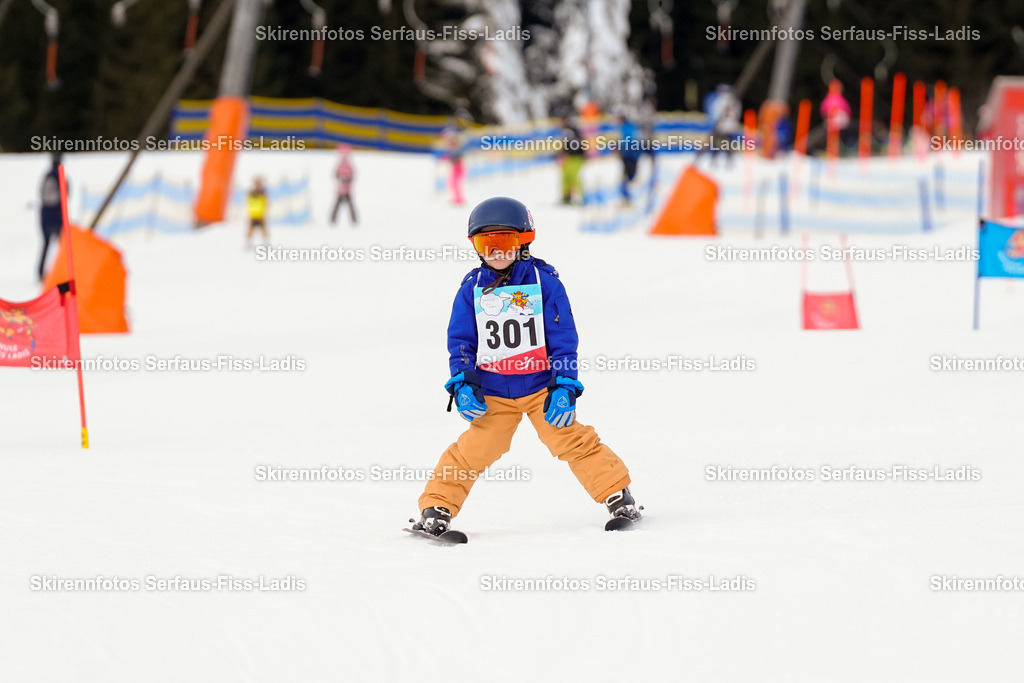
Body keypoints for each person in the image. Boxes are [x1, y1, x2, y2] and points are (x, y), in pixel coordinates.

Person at [409, 196, 642, 537]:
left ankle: (618, 496)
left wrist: (564, 384)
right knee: (474, 450)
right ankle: (437, 507)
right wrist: (462, 383)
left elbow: (563, 336)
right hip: (493, 390)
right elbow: (461, 340)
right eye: (486, 243)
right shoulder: (471, 289)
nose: (496, 251)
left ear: (523, 242)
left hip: (538, 387)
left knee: (571, 439)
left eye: (505, 241)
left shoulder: (544, 282)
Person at [38, 152, 64, 281]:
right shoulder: (53, 176)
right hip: (53, 218)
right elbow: (49, 198)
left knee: (54, 246)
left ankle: (56, 272)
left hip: (51, 217)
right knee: (53, 245)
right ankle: (45, 272)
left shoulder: (53, 176)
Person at [558, 117, 586, 204]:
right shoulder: (572, 131)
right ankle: (568, 197)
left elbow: (571, 144)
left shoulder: (569, 131)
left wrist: (565, 153)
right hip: (574, 157)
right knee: (567, 177)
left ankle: (580, 197)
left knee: (572, 178)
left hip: (575, 157)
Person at [330, 144, 358, 226]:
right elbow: (336, 174)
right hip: (341, 190)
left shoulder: (348, 165)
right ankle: (333, 220)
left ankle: (354, 220)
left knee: (349, 206)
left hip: (347, 190)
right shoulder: (341, 165)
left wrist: (347, 180)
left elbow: (352, 174)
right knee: (338, 206)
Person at [618, 115, 643, 204]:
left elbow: (627, 143)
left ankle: (630, 199)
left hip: (629, 156)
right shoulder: (632, 128)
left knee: (627, 179)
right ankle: (630, 199)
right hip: (633, 156)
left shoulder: (626, 129)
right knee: (629, 178)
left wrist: (622, 153)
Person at [246, 177, 269, 248]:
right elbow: (249, 202)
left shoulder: (263, 193)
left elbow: (266, 202)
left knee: (264, 230)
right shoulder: (251, 193)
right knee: (250, 230)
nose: (257, 185)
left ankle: (265, 244)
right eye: (256, 183)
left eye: (258, 183)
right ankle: (248, 243)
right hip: (253, 215)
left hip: (261, 215)